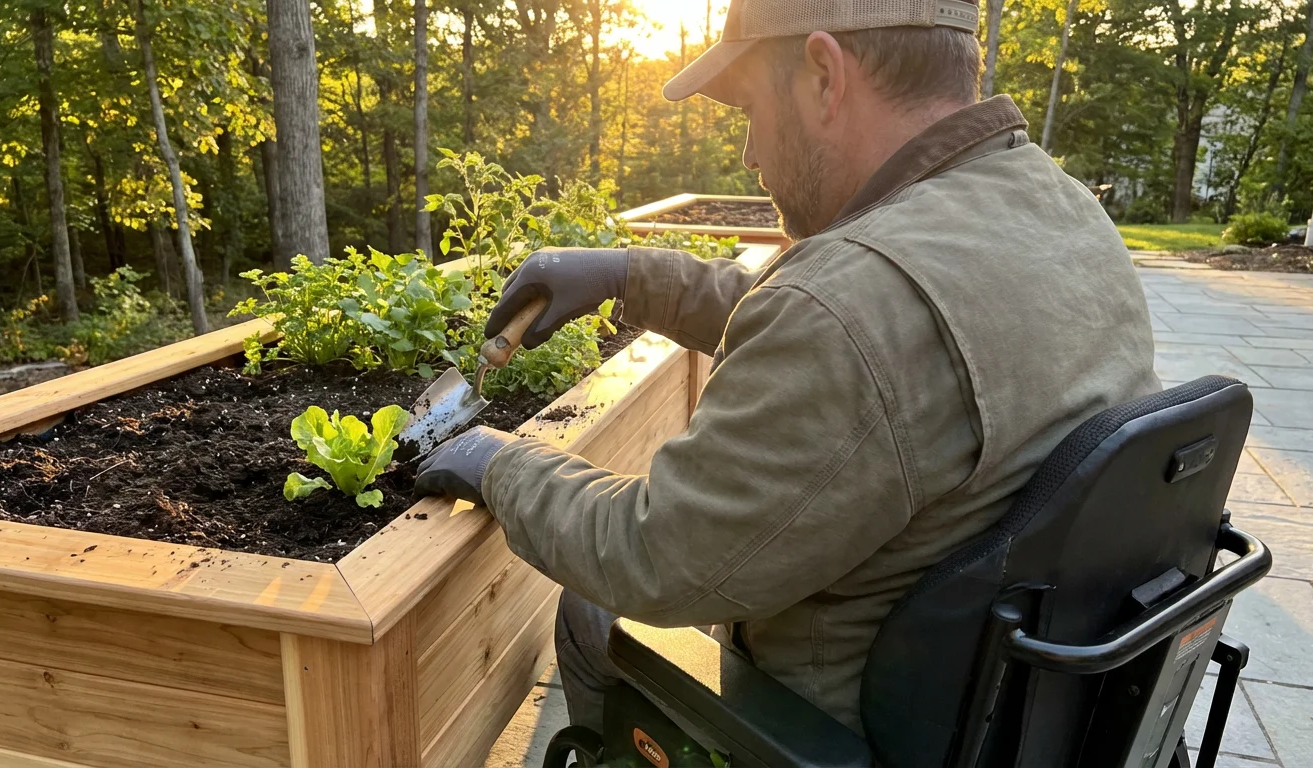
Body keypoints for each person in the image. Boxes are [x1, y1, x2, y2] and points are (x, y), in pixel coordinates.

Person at [414, 0, 1160, 737]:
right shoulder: (1052, 207)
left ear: (824, 75)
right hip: (1020, 711)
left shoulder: (854, 307)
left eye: (748, 109)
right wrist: (630, 276)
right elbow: (844, 339)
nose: (749, 153)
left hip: (826, 733)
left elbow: (652, 556)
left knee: (591, 612)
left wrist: (496, 464)